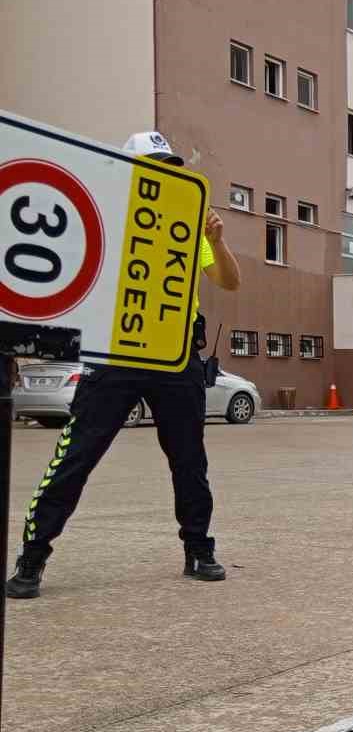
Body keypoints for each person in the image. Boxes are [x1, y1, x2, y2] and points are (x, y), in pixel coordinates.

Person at [6, 131, 242, 599]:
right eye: (152, 165)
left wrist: (216, 239)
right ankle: (32, 558)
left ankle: (198, 550)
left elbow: (229, 282)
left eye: (169, 166)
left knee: (189, 461)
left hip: (175, 357)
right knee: (77, 456)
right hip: (115, 353)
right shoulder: (106, 220)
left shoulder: (186, 226)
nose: (164, 173)